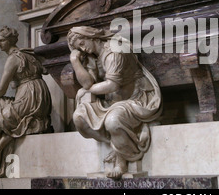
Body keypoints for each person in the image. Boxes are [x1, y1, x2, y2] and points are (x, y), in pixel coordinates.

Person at [67, 26, 162, 180]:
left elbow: (112, 85)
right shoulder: (92, 55)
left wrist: (89, 89)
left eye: (83, 43)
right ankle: (116, 143)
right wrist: (75, 61)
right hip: (112, 100)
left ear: (92, 36)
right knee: (79, 118)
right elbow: (86, 83)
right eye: (79, 47)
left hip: (136, 98)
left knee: (113, 121)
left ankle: (122, 161)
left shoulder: (115, 51)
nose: (83, 49)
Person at [0, 27, 52, 183]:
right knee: (5, 116)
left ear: (10, 41)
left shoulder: (13, 59)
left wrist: (13, 85)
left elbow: (0, 90)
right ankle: (6, 139)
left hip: (28, 96)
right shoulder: (27, 54)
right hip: (41, 92)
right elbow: (46, 70)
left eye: (2, 40)